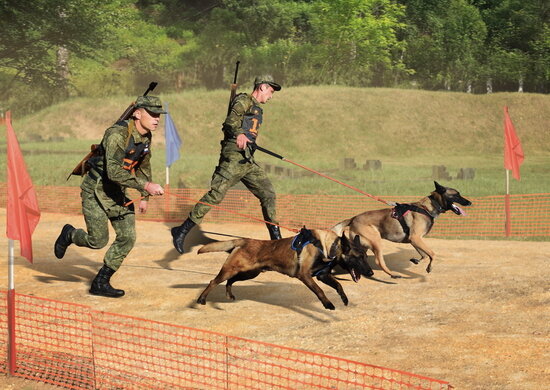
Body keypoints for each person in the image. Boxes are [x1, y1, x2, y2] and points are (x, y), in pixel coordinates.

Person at [54, 96, 166, 298]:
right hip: (96, 190)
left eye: (159, 115)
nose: (157, 118)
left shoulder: (146, 136)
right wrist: (147, 186)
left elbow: (143, 166)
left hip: (117, 192)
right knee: (98, 241)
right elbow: (114, 172)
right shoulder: (116, 134)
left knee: (128, 237)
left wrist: (144, 195)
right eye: (152, 114)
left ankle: (101, 282)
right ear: (137, 113)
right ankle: (69, 234)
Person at [171, 75, 282, 254]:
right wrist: (239, 134)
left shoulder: (256, 108)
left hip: (247, 160)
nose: (271, 95)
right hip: (233, 158)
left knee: (268, 194)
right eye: (270, 91)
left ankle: (277, 242)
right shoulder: (243, 100)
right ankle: (181, 231)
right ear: (262, 87)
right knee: (215, 195)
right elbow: (230, 122)